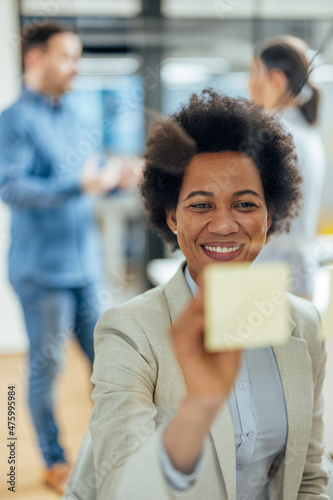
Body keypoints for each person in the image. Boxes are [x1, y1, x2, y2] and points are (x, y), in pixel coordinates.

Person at [63, 89, 333, 500]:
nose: (224, 225)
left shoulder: (304, 324)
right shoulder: (128, 333)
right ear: (172, 217)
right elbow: (121, 488)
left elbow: (310, 477)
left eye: (244, 203)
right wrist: (199, 408)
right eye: (201, 205)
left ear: (269, 215)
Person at [0, 21, 134, 494]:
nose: (76, 67)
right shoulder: (14, 120)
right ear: (35, 59)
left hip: (86, 268)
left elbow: (89, 174)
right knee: (46, 369)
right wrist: (77, 185)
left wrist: (115, 174)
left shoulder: (75, 116)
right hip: (43, 272)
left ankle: (115, 455)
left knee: (110, 365)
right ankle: (54, 460)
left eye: (78, 57)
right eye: (67, 57)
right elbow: (11, 187)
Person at [248, 35, 327, 300]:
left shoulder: (275, 135)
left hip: (269, 277)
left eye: (253, 72)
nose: (248, 83)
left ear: (277, 80)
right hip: (300, 275)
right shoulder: (308, 133)